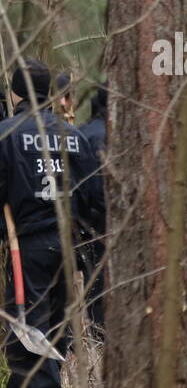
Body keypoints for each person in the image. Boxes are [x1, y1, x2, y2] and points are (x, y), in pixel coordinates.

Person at [0, 59, 103, 388]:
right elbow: (94, 194)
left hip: (27, 245)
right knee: (50, 330)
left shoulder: (7, 134)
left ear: (15, 92)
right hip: (69, 244)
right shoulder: (72, 135)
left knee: (29, 332)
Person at [78, 86, 108, 338]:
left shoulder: (81, 132)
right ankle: (101, 339)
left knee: (92, 281)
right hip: (105, 221)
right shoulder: (110, 135)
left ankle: (94, 337)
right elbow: (99, 188)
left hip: (83, 221)